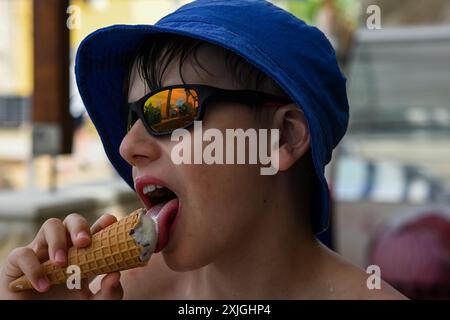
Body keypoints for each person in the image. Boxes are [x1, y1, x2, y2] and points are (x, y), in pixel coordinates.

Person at [0, 0, 405, 299]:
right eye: (131, 119)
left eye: (171, 108)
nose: (127, 146)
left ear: (282, 138)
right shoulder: (116, 291)